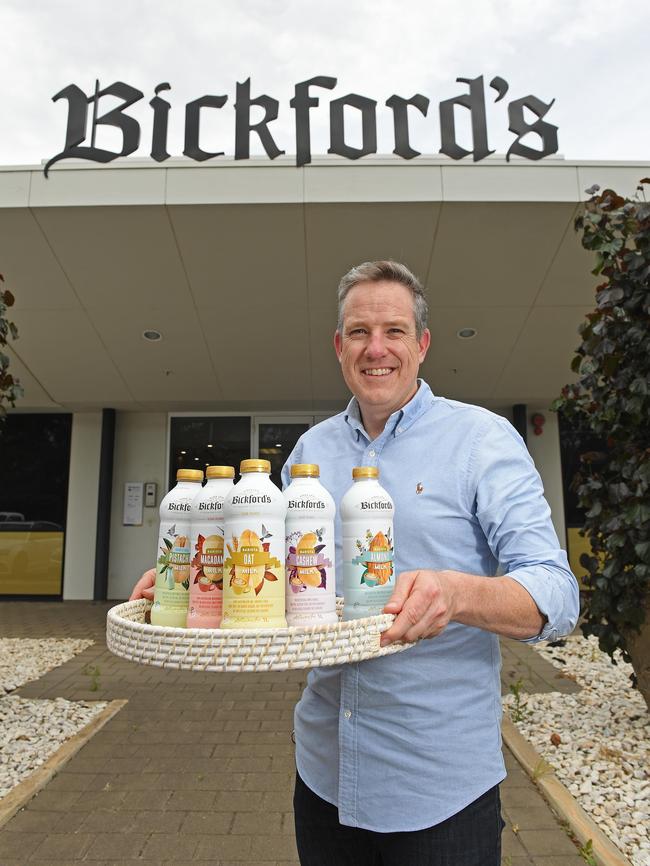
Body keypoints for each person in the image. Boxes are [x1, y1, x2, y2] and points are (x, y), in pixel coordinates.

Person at [131, 260, 579, 866]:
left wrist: (458, 593)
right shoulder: (312, 450)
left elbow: (554, 593)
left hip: (439, 788)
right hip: (324, 775)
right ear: (339, 347)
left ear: (421, 344)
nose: (377, 349)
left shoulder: (481, 439)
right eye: (359, 333)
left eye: (394, 331)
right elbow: (279, 574)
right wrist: (194, 579)